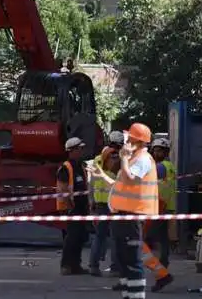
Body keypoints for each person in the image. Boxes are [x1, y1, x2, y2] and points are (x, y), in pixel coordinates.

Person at [89, 122, 158, 299]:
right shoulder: (135, 158)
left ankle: (135, 295)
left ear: (137, 141)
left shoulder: (142, 159)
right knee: (124, 260)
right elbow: (119, 184)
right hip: (123, 216)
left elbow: (131, 179)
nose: (125, 142)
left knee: (133, 261)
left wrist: (124, 159)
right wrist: (101, 175)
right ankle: (129, 294)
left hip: (131, 216)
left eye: (129, 139)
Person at [89, 131, 125, 276]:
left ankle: (93, 266)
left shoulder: (97, 159)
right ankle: (115, 267)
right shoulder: (120, 159)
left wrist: (91, 200)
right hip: (115, 203)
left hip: (99, 202)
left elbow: (91, 183)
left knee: (100, 235)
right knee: (116, 236)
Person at [57, 137, 91, 275]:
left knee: (80, 237)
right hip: (72, 207)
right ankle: (66, 265)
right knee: (72, 237)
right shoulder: (66, 167)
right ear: (72, 150)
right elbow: (63, 189)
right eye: (79, 148)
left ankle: (76, 265)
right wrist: (69, 205)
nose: (81, 151)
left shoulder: (81, 166)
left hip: (82, 207)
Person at [147, 137, 175, 268]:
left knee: (150, 238)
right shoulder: (169, 166)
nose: (157, 154)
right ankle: (163, 264)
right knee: (162, 238)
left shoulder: (160, 167)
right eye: (155, 151)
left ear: (166, 152)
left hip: (160, 207)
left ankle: (160, 266)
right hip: (164, 206)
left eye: (160, 151)